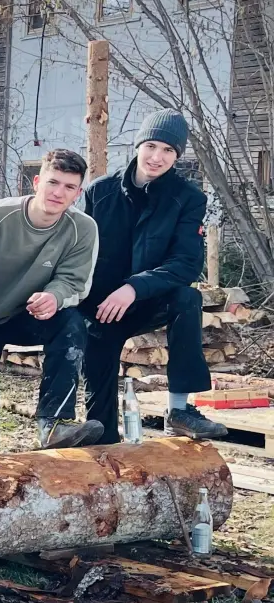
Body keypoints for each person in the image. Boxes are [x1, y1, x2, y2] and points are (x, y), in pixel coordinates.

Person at [81, 110, 228, 443]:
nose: (157, 157)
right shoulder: (99, 193)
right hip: (101, 309)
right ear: (138, 145)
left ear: (177, 156)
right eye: (151, 146)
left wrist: (134, 287)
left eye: (168, 150)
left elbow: (187, 263)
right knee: (100, 430)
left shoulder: (188, 198)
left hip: (149, 301)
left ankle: (179, 411)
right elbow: (78, 254)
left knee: (187, 298)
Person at [0, 149, 102, 454]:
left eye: (69, 187)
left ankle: (54, 423)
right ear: (36, 182)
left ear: (77, 193)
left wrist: (54, 296)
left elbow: (75, 281)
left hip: (31, 316)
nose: (58, 193)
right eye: (53, 182)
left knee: (72, 323)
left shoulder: (83, 229)